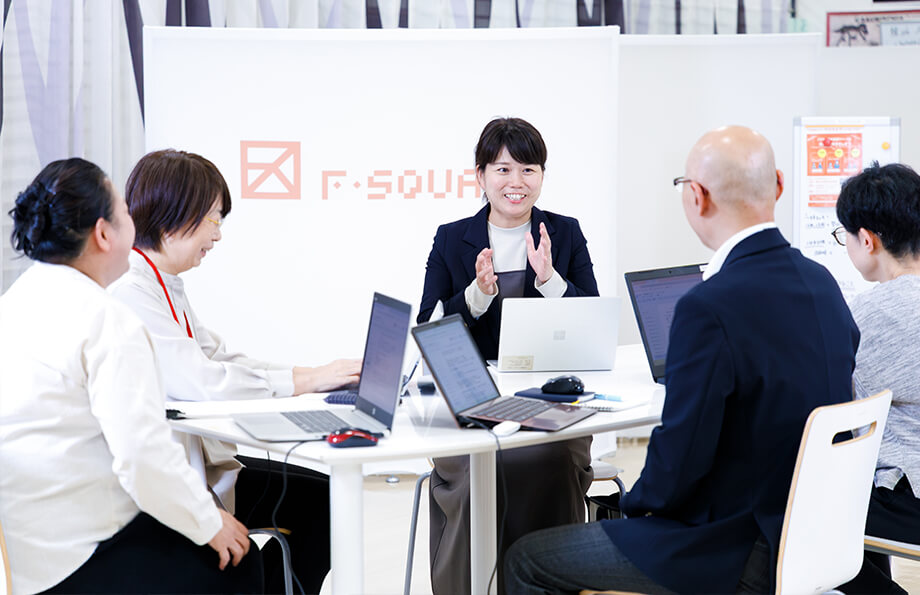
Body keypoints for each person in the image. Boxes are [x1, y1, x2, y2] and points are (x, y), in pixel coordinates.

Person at [504, 125, 860, 594]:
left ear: (697, 197)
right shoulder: (822, 283)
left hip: (733, 547)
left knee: (527, 559)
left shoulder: (708, 306)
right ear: (777, 185)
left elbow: (680, 461)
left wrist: (632, 508)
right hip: (811, 536)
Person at [0, 158, 261, 594]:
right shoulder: (107, 319)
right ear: (104, 234)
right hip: (85, 550)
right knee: (241, 561)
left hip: (26, 554)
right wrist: (208, 522)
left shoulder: (16, 300)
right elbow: (142, 459)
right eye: (125, 213)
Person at [109, 149, 360, 594]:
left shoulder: (162, 283)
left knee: (324, 500)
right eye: (212, 219)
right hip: (166, 489)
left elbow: (220, 360)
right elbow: (204, 382)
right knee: (319, 507)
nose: (217, 235)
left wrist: (313, 375)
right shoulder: (131, 293)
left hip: (201, 468)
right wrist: (306, 381)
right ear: (173, 218)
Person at [418, 117, 597, 594]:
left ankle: (548, 584)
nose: (516, 182)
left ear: (542, 176)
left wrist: (550, 280)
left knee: (550, 459)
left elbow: (592, 320)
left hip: (550, 401)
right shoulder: (451, 237)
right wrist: (477, 294)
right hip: (470, 402)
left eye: (528, 169)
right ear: (480, 176)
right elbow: (430, 325)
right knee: (481, 465)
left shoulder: (565, 233)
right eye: (502, 169)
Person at [833, 162, 920, 595]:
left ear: (867, 240)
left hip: (910, 497)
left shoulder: (868, 315)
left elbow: (831, 398)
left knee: (793, 507)